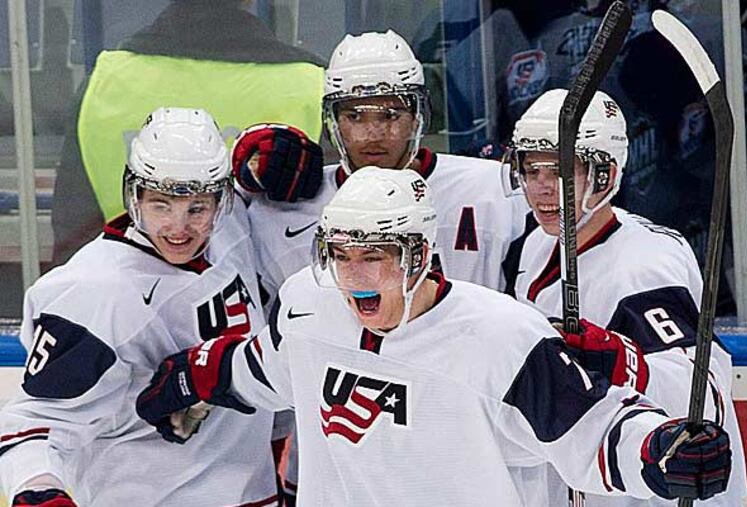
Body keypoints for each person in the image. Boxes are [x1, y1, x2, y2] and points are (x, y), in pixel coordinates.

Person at [136, 166, 732, 506]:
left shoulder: (501, 337)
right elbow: (267, 369)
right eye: (340, 255)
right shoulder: (310, 302)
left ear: (421, 254)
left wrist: (658, 450)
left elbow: (593, 428)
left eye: (376, 256)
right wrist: (196, 378)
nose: (355, 276)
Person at [0, 108, 281, 507]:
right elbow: (35, 422)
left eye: (196, 208)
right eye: (160, 205)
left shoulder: (230, 233)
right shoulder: (94, 291)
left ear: (221, 200)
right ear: (134, 196)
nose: (178, 228)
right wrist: (39, 489)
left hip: (255, 492)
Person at [503, 88, 747, 505]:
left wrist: (622, 359)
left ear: (607, 174)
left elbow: (704, 396)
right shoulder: (537, 247)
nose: (542, 188)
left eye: (561, 170)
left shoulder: (644, 266)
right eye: (532, 170)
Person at [234, 29, 530, 305]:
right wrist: (243, 176)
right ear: (334, 122)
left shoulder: (492, 190)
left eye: (390, 115)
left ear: (417, 117)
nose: (373, 134)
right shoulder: (282, 210)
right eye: (355, 116)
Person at [52, 0, 325, 266]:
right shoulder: (310, 86)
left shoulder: (104, 83)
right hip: (265, 304)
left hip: (126, 301)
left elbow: (73, 237)